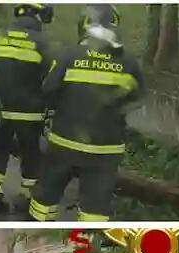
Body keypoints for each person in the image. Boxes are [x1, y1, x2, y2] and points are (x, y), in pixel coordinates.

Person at [28, 4, 144, 222]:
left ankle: (37, 224)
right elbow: (137, 99)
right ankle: (89, 246)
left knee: (46, 194)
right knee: (95, 207)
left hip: (65, 142)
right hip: (106, 149)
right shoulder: (129, 62)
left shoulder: (68, 55)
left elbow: (48, 90)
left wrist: (56, 110)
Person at [0, 3, 55, 217]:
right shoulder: (42, 43)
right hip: (29, 113)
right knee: (31, 154)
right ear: (39, 16)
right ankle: (26, 199)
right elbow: (51, 80)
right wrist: (50, 108)